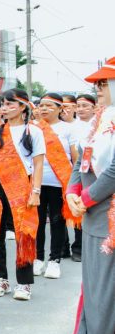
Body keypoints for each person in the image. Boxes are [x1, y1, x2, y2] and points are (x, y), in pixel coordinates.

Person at [66, 61, 115, 334]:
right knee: (98, 277)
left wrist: (86, 198)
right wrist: (73, 193)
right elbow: (80, 161)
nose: (98, 89)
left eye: (104, 83)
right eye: (96, 84)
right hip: (96, 209)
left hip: (103, 206)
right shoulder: (98, 121)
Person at [0, 89, 44, 301]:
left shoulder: (34, 132)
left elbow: (38, 164)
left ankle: (24, 283)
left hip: (23, 184)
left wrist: (36, 191)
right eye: (3, 103)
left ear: (23, 107)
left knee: (25, 233)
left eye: (10, 103)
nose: (5, 107)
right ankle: (0, 278)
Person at [33, 93, 80, 279]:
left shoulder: (68, 129)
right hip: (36, 183)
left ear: (60, 109)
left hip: (60, 183)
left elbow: (75, 158)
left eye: (49, 105)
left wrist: (75, 185)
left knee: (57, 222)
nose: (43, 109)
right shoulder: (34, 128)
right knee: (36, 223)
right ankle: (38, 259)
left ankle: (55, 261)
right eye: (41, 105)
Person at [68, 94, 97, 262]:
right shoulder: (73, 127)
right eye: (78, 106)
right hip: (77, 175)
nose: (81, 109)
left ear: (95, 108)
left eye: (85, 106)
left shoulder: (101, 125)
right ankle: (79, 247)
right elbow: (78, 158)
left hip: (95, 179)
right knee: (77, 210)